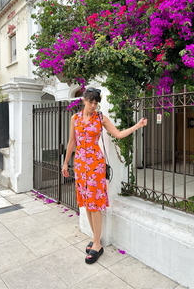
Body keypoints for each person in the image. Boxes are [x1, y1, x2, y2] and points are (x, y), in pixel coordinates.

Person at [62, 87, 147, 264]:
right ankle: (95, 239)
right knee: (86, 203)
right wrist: (65, 163)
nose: (93, 105)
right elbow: (72, 142)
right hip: (80, 163)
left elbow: (118, 134)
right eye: (91, 101)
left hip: (95, 164)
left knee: (94, 203)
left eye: (96, 102)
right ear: (84, 99)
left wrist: (137, 126)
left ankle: (97, 244)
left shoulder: (100, 118)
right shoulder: (75, 118)